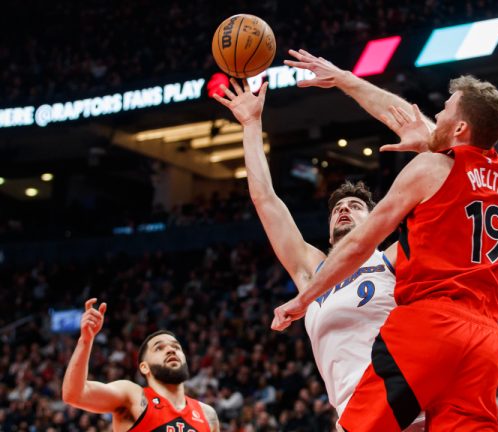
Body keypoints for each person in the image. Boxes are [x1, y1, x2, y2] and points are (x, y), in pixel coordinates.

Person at [273, 49, 498, 431]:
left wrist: (303, 299)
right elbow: (406, 118)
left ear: (459, 128)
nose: (435, 115)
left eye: (445, 111)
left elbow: (357, 245)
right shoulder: (497, 176)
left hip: (432, 321)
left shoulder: (430, 167)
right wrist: (343, 79)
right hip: (484, 338)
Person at [213, 79, 424, 430]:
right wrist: (251, 126)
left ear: (375, 221)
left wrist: (425, 148)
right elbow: (265, 200)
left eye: (355, 206)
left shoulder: (389, 258)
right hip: (351, 416)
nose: (344, 210)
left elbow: (434, 207)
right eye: (338, 208)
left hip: (406, 408)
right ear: (327, 229)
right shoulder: (313, 272)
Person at [62, 299, 219, 432]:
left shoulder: (208, 415)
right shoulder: (132, 396)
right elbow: (74, 394)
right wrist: (85, 340)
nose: (171, 350)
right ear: (145, 367)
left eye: (176, 347)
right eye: (159, 348)